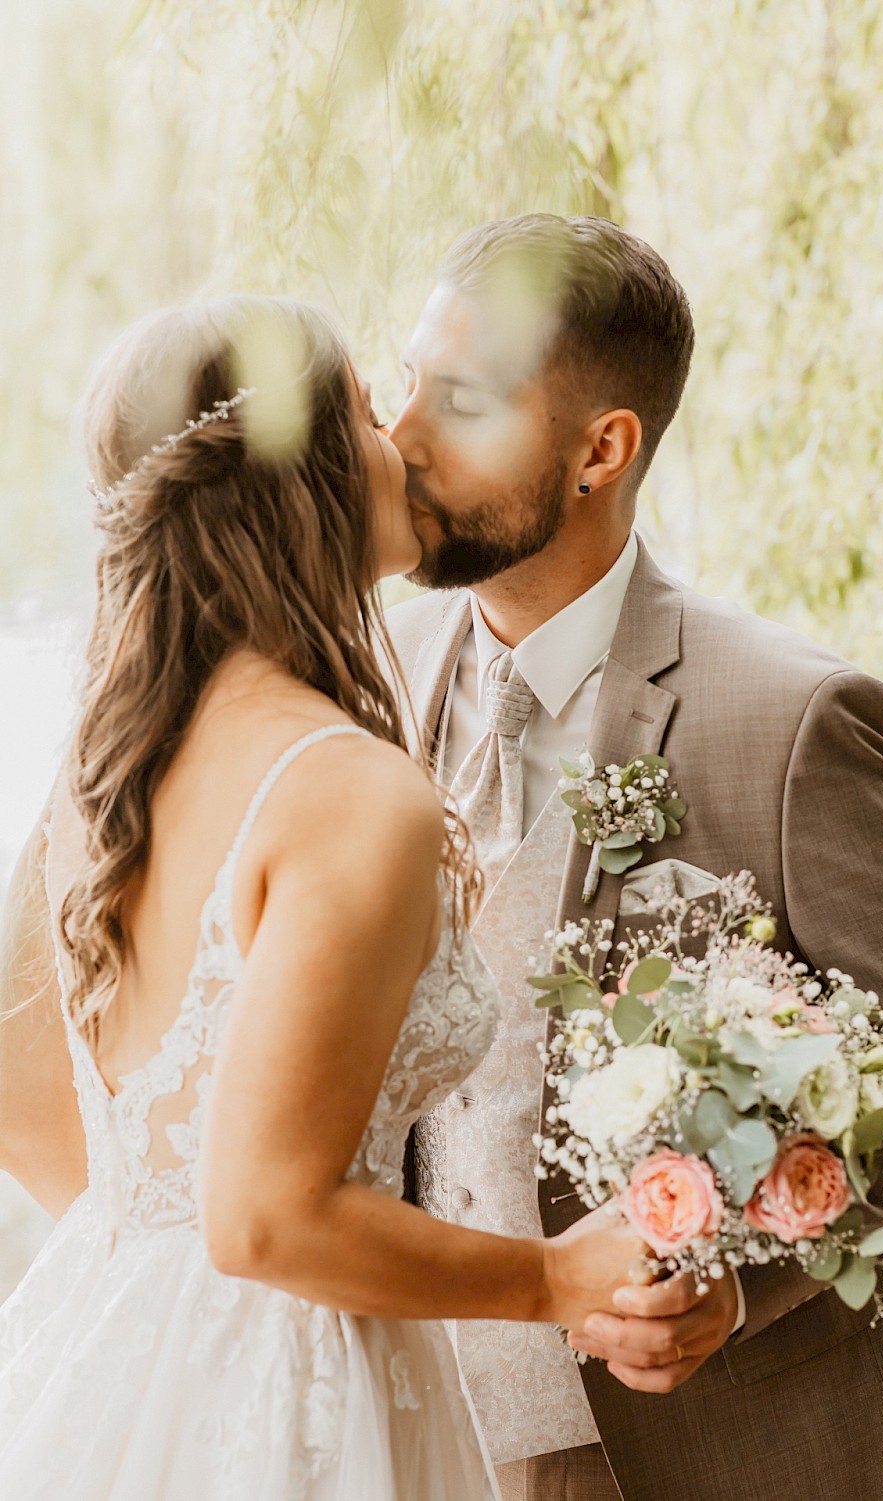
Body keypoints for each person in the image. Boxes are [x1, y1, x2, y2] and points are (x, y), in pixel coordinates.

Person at [384, 212, 883, 1501]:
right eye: (406, 385)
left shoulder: (791, 718)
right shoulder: (369, 694)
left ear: (601, 449)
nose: (402, 440)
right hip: (439, 1443)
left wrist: (744, 1262)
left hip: (732, 1449)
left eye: (461, 403)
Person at [0, 294, 645, 1501]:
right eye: (360, 407)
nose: (397, 436)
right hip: (301, 1395)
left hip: (116, 1363)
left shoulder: (105, 773)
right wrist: (553, 1276)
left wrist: (168, 1287)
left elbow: (20, 1090)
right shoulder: (349, 792)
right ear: (298, 478)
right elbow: (263, 1220)